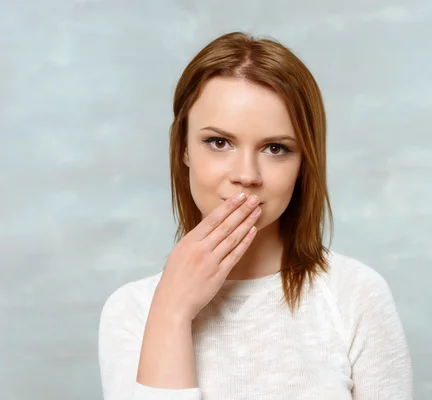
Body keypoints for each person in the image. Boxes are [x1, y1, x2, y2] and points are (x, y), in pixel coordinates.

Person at [98, 31, 413, 400]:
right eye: (219, 142)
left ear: (303, 164)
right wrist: (172, 312)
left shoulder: (356, 295)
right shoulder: (131, 311)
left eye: (276, 148)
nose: (246, 174)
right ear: (184, 148)